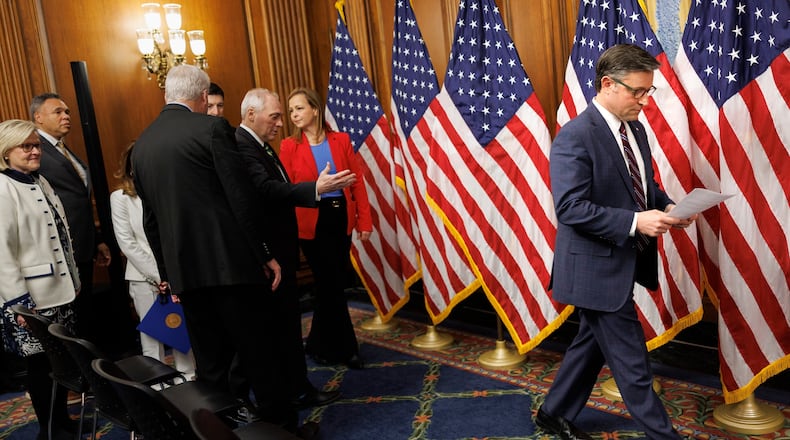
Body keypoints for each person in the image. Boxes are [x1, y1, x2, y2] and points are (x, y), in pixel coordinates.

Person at [131, 64, 316, 439]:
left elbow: (152, 221)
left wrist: (169, 273)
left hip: (187, 275)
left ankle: (223, 431)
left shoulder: (142, 144)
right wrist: (265, 253)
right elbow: (240, 199)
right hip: (233, 269)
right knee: (259, 355)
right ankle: (281, 431)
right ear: (202, 97)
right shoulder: (213, 128)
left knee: (211, 364)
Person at [535, 44, 696, 440]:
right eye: (637, 92)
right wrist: (636, 222)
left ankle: (552, 412)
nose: (645, 101)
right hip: (594, 268)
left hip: (621, 262)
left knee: (589, 346)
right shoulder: (575, 136)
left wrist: (670, 206)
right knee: (633, 365)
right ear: (607, 84)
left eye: (649, 92)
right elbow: (570, 208)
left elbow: (643, 186)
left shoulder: (635, 129)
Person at [235, 88, 356, 408]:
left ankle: (301, 382)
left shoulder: (262, 146)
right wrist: (316, 188)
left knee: (296, 318)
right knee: (285, 325)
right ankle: (295, 390)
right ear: (251, 115)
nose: (281, 122)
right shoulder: (247, 146)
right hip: (278, 248)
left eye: (285, 113)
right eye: (276, 115)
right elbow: (269, 190)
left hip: (307, 236)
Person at [279, 87, 372, 369]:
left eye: (299, 108)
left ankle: (319, 343)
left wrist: (364, 222)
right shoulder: (288, 146)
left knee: (330, 285)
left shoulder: (340, 140)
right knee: (330, 284)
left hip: (339, 217)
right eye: (291, 109)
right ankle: (347, 349)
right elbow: (286, 190)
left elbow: (357, 183)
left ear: (315, 110)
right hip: (310, 221)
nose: (293, 114)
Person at [0, 119, 80, 440]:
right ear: (7, 151)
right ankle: (48, 429)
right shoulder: (3, 189)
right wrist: (18, 304)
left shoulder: (39, 181)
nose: (35, 151)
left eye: (37, 145)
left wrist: (73, 279)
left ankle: (61, 421)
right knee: (40, 367)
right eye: (27, 146)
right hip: (32, 300)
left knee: (61, 364)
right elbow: (2, 253)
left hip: (60, 292)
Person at [30, 93, 113, 350]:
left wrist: (97, 239)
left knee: (83, 314)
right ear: (38, 117)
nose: (66, 116)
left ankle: (89, 373)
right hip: (58, 252)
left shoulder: (62, 150)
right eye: (58, 112)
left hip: (82, 246)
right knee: (68, 322)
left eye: (67, 112)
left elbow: (79, 199)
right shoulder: (36, 152)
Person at [109, 142, 195, 378]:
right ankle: (157, 384)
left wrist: (171, 273)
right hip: (143, 278)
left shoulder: (167, 193)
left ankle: (188, 377)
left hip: (175, 274)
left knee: (180, 330)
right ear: (130, 166)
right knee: (152, 336)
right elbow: (127, 243)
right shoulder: (120, 198)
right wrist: (160, 275)